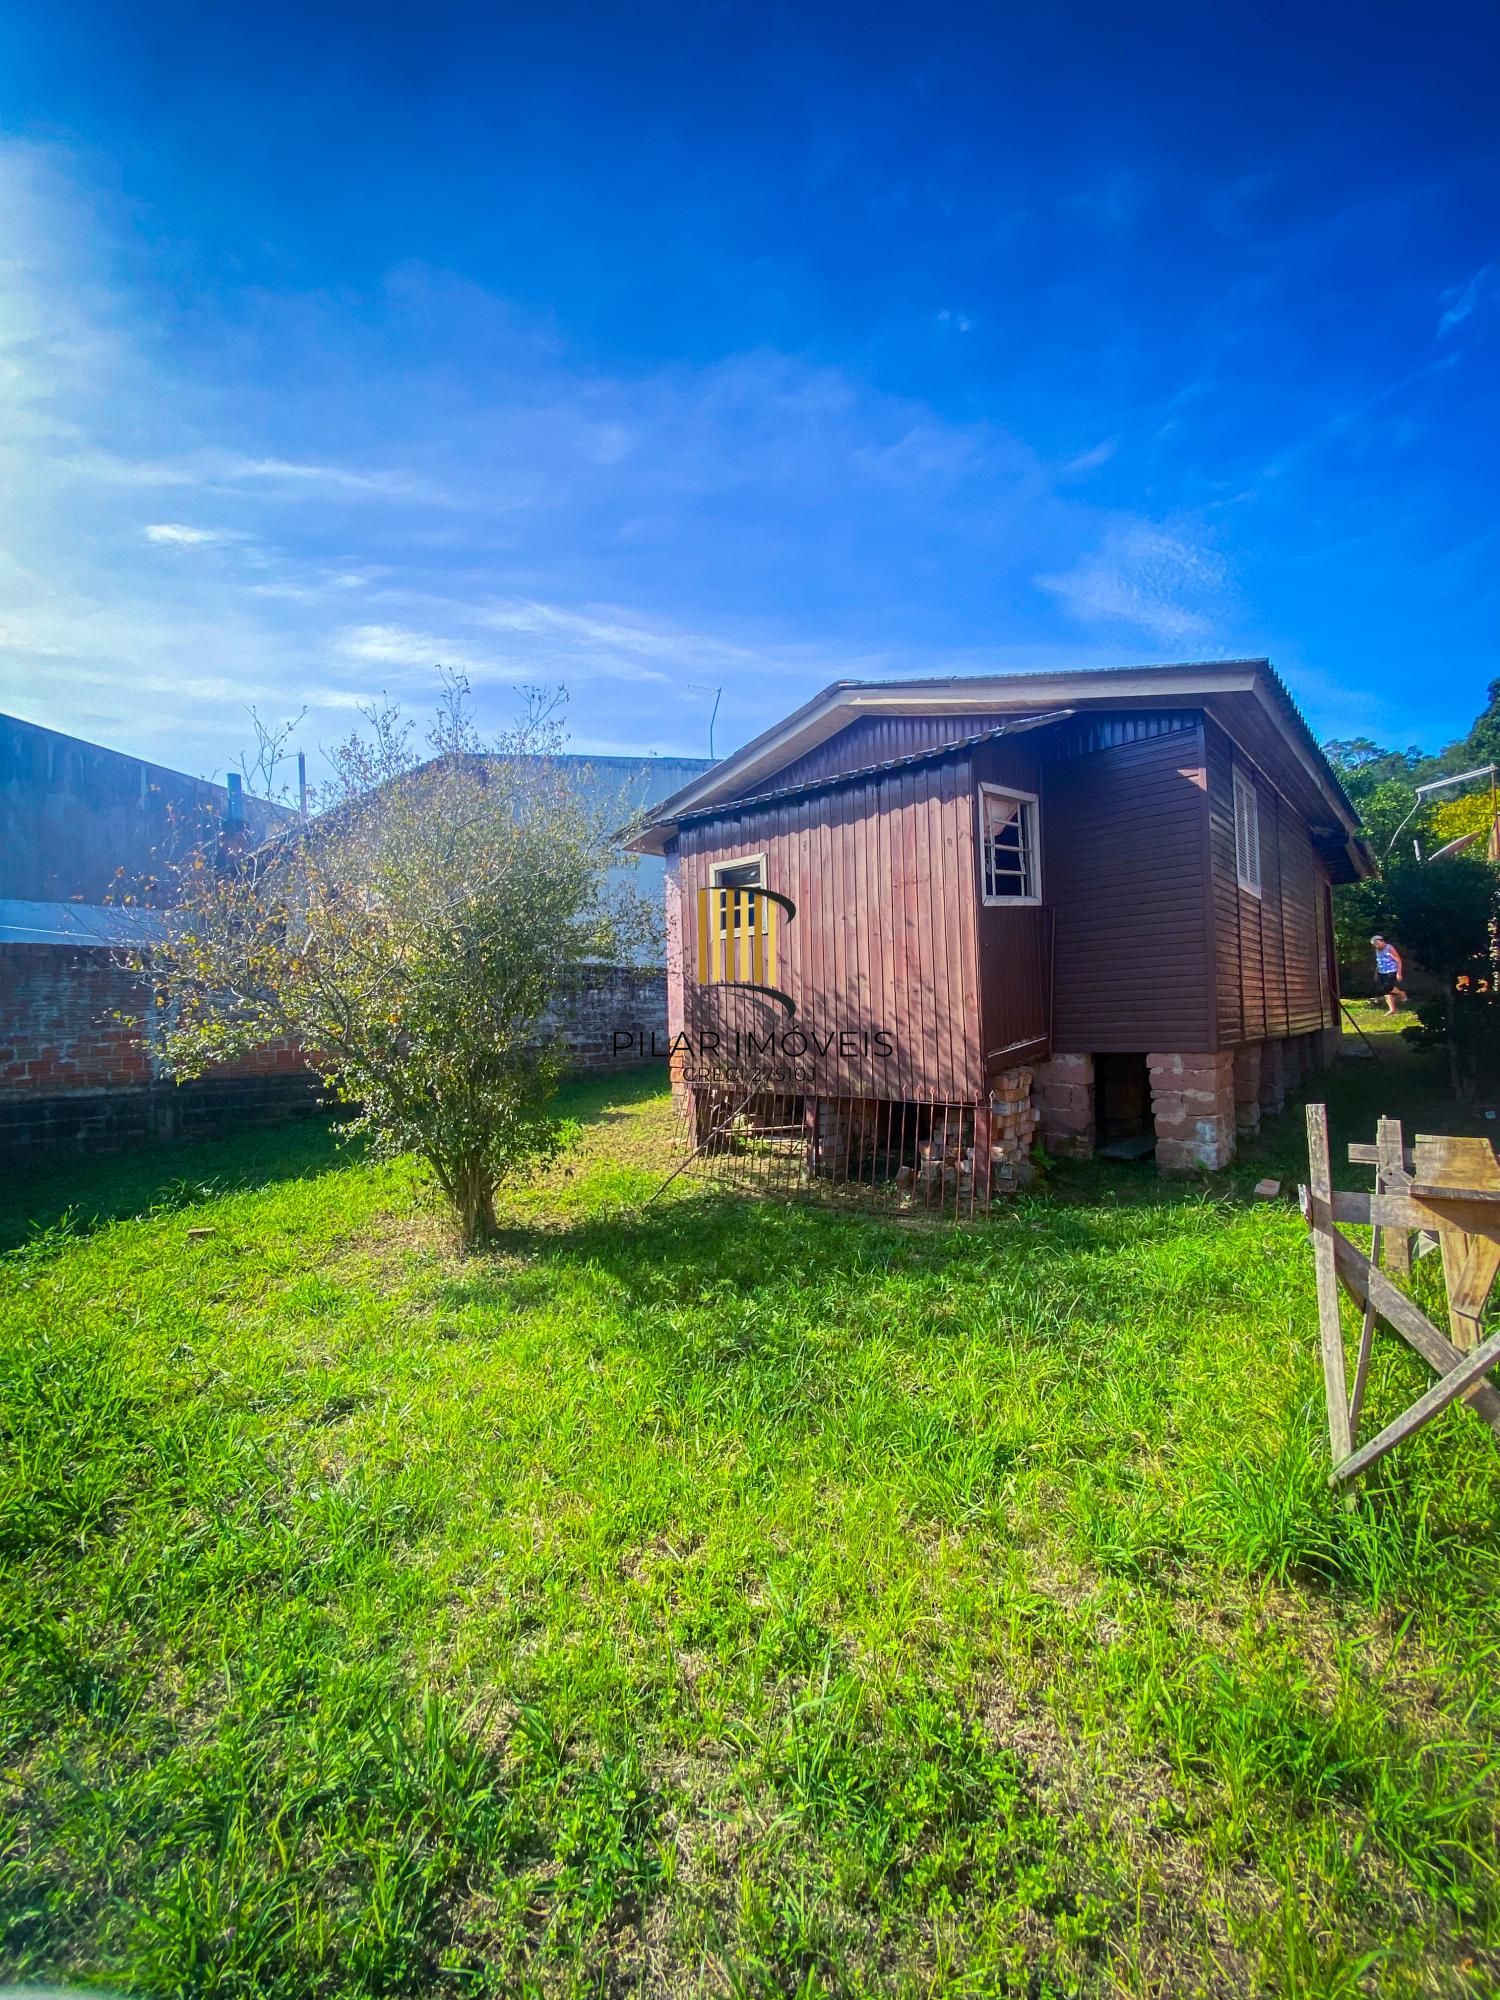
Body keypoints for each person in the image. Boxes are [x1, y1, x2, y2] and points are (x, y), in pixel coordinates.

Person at [1370, 934, 1406, 1013]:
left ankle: (1400, 997)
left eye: (1377, 943)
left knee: (1387, 988)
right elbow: (1378, 962)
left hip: (1391, 971)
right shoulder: (1377, 950)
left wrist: (1399, 973)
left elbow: (1398, 960)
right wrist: (1376, 973)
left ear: (1382, 941)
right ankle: (1393, 1008)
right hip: (1381, 972)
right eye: (1374, 945)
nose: (1376, 946)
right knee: (1386, 990)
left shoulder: (1389, 948)